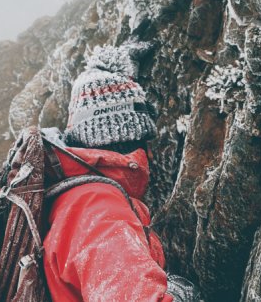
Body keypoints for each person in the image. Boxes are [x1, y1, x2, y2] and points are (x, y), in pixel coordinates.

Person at [41, 43, 201, 302]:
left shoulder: (71, 198)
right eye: (143, 142)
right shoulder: (99, 207)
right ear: (122, 139)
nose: (149, 155)